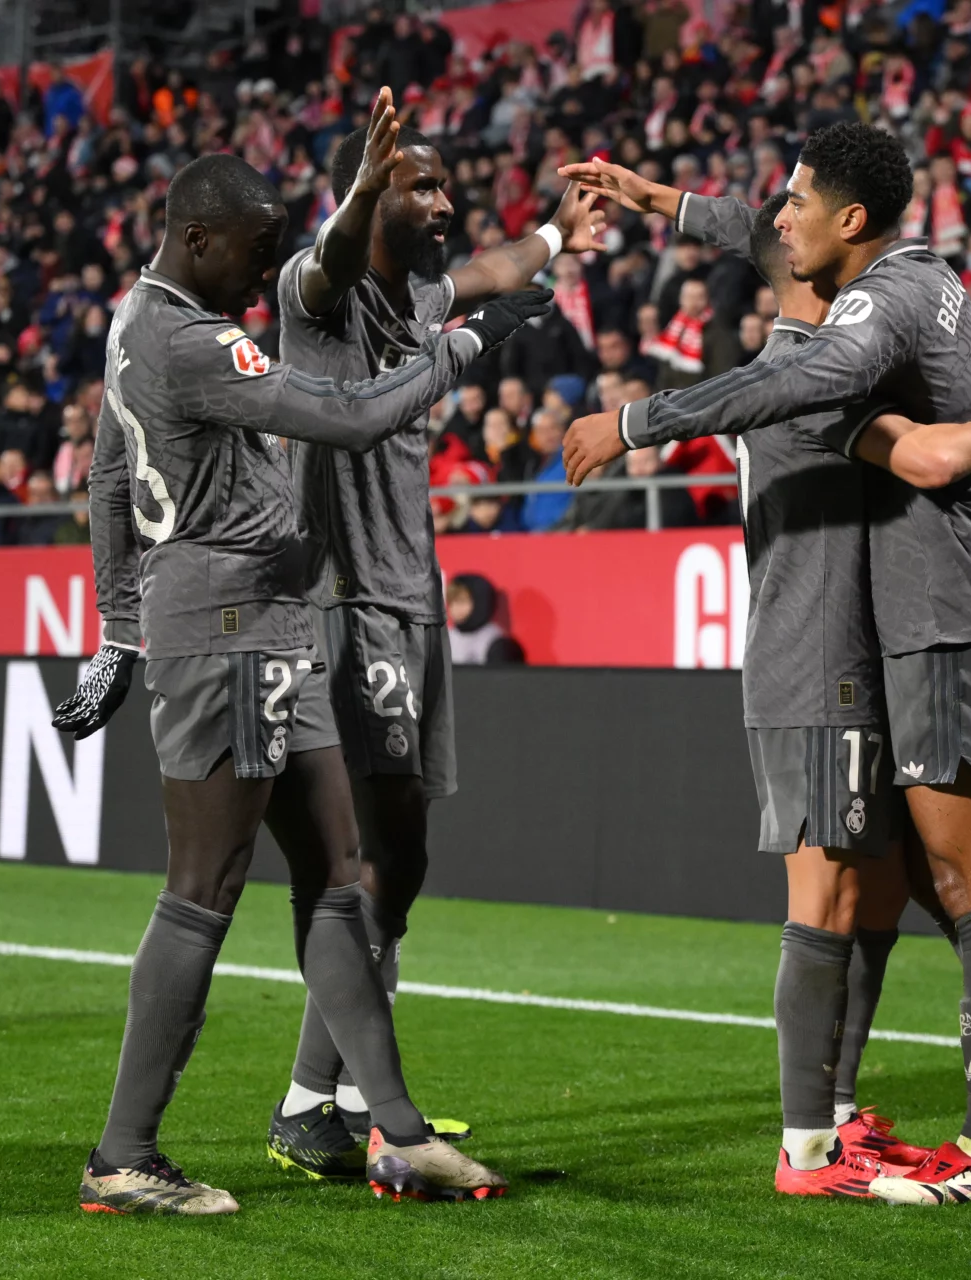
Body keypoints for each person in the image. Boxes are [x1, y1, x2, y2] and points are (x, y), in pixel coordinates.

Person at [564, 121, 971, 1207]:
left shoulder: (856, 334)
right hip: (838, 657)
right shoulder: (853, 335)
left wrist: (637, 408)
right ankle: (854, 1127)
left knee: (940, 876)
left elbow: (910, 433)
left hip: (932, 626)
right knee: (880, 884)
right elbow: (921, 441)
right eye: (780, 222)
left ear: (847, 232)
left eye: (799, 210)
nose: (779, 230)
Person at [48, 151, 547, 1213]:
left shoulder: (135, 321)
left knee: (337, 871)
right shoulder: (188, 335)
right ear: (197, 240)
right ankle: (124, 1154)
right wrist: (459, 346)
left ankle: (400, 1134)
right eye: (251, 255)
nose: (258, 279)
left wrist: (116, 637)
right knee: (204, 889)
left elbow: (103, 479)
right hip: (225, 627)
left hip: (266, 624)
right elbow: (352, 413)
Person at [270, 89, 604, 1159]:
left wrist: (561, 231)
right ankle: (353, 1107)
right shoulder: (313, 297)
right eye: (424, 183)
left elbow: (502, 272)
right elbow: (327, 256)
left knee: (401, 856)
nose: (446, 197)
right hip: (342, 600)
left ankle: (319, 1098)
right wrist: (364, 186)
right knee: (371, 848)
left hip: (410, 598)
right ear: (372, 193)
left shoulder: (419, 296)